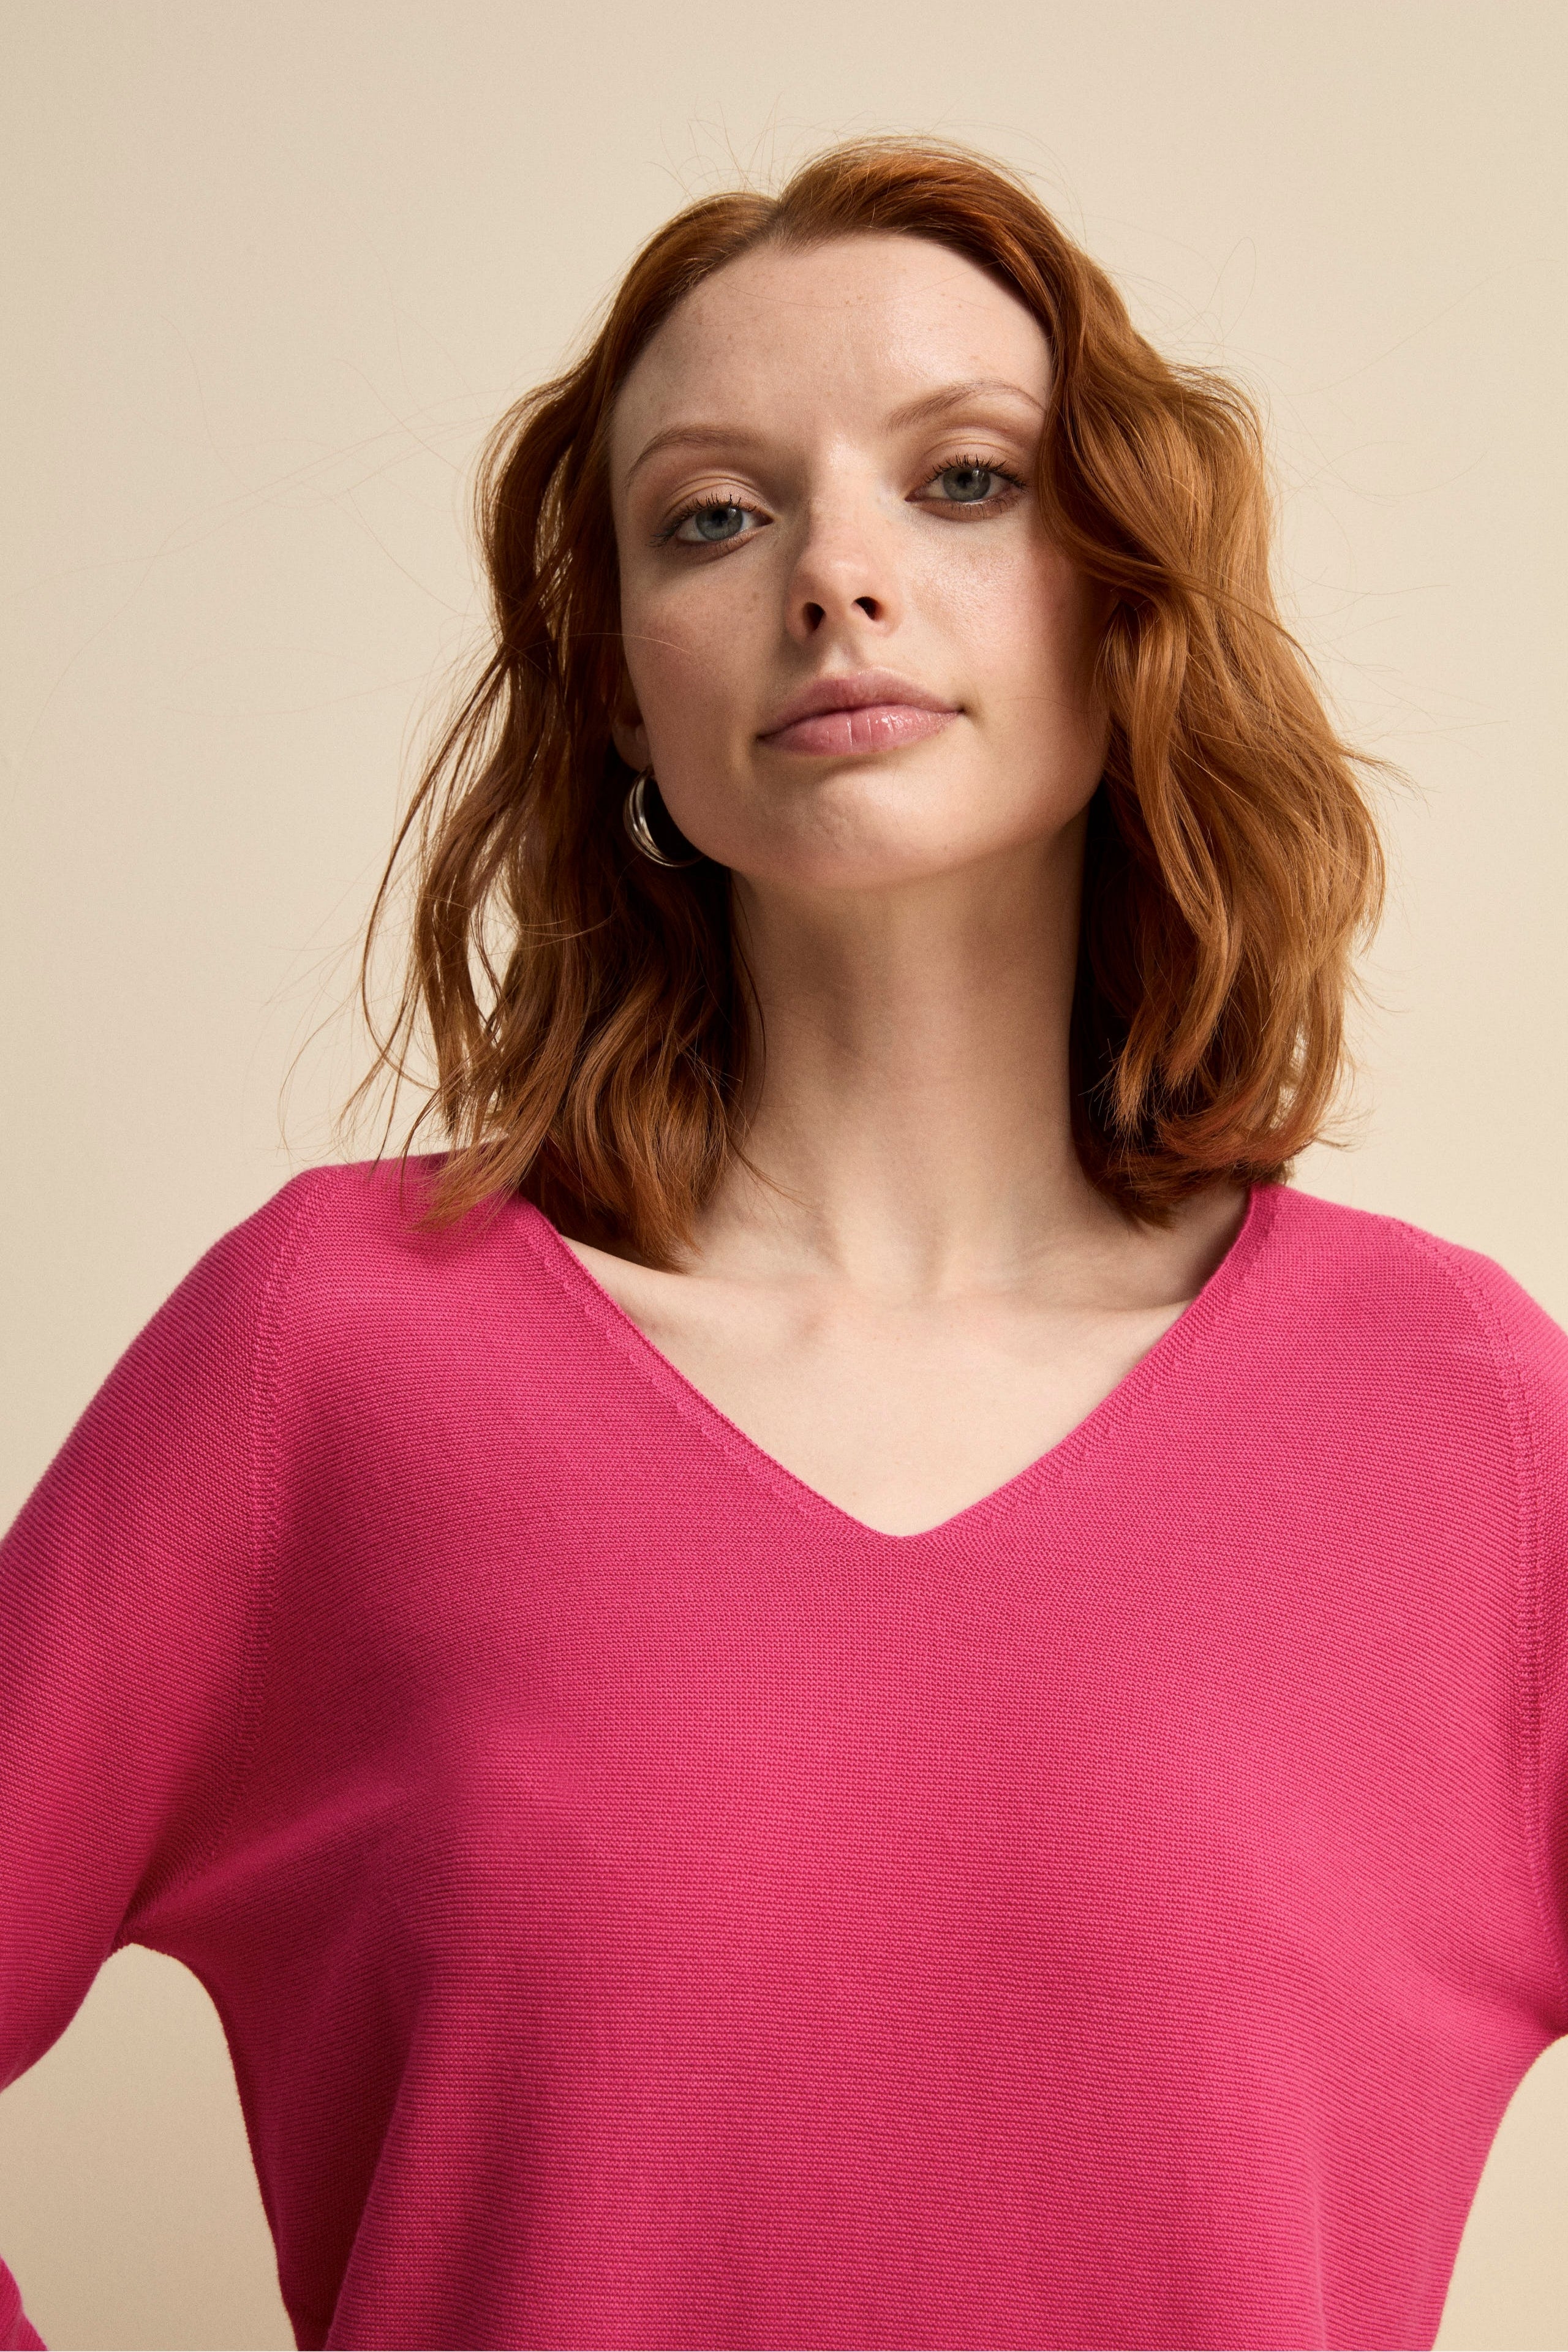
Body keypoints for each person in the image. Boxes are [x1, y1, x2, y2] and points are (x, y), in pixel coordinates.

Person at [1, 135, 1564, 2352]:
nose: (837, 575)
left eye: (966, 482)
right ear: (620, 683)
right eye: (714, 518)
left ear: (1126, 593)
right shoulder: (328, 1358)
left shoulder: (1459, 1423)